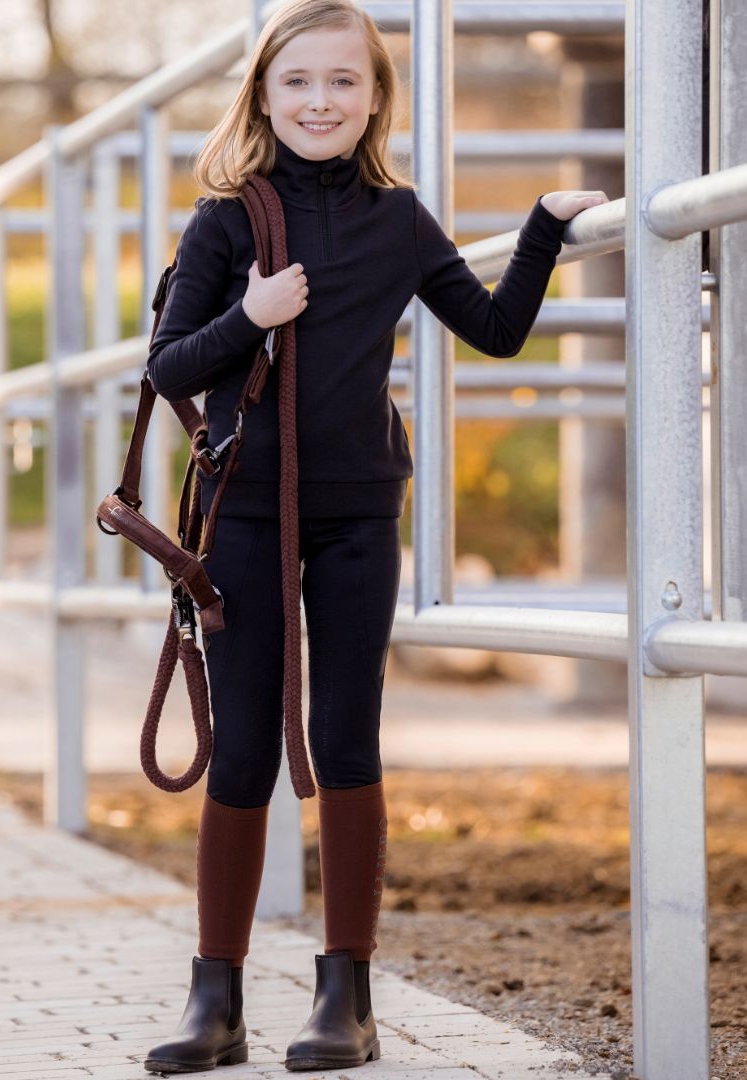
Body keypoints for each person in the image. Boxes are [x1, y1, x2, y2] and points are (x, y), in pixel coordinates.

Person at [142, 0, 607, 1073]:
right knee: (246, 746)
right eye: (298, 82)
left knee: (347, 739)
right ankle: (215, 1000)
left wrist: (540, 226)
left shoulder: (399, 219)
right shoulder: (224, 222)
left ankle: (345, 995)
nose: (320, 101)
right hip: (247, 511)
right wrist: (251, 317)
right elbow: (169, 368)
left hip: (359, 511)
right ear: (264, 94)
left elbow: (495, 332)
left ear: (374, 100)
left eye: (343, 83)